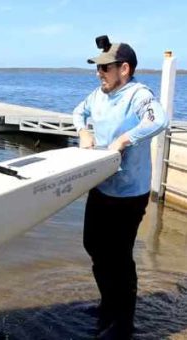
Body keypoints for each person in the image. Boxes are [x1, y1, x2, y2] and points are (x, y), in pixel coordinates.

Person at [72, 36, 169, 339]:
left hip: (129, 193)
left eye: (105, 68)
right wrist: (83, 131)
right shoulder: (98, 94)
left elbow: (160, 119)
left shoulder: (138, 94)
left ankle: (123, 324)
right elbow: (78, 112)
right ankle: (107, 306)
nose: (99, 73)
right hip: (100, 185)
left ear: (124, 69)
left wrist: (126, 139)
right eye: (98, 68)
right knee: (93, 245)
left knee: (119, 256)